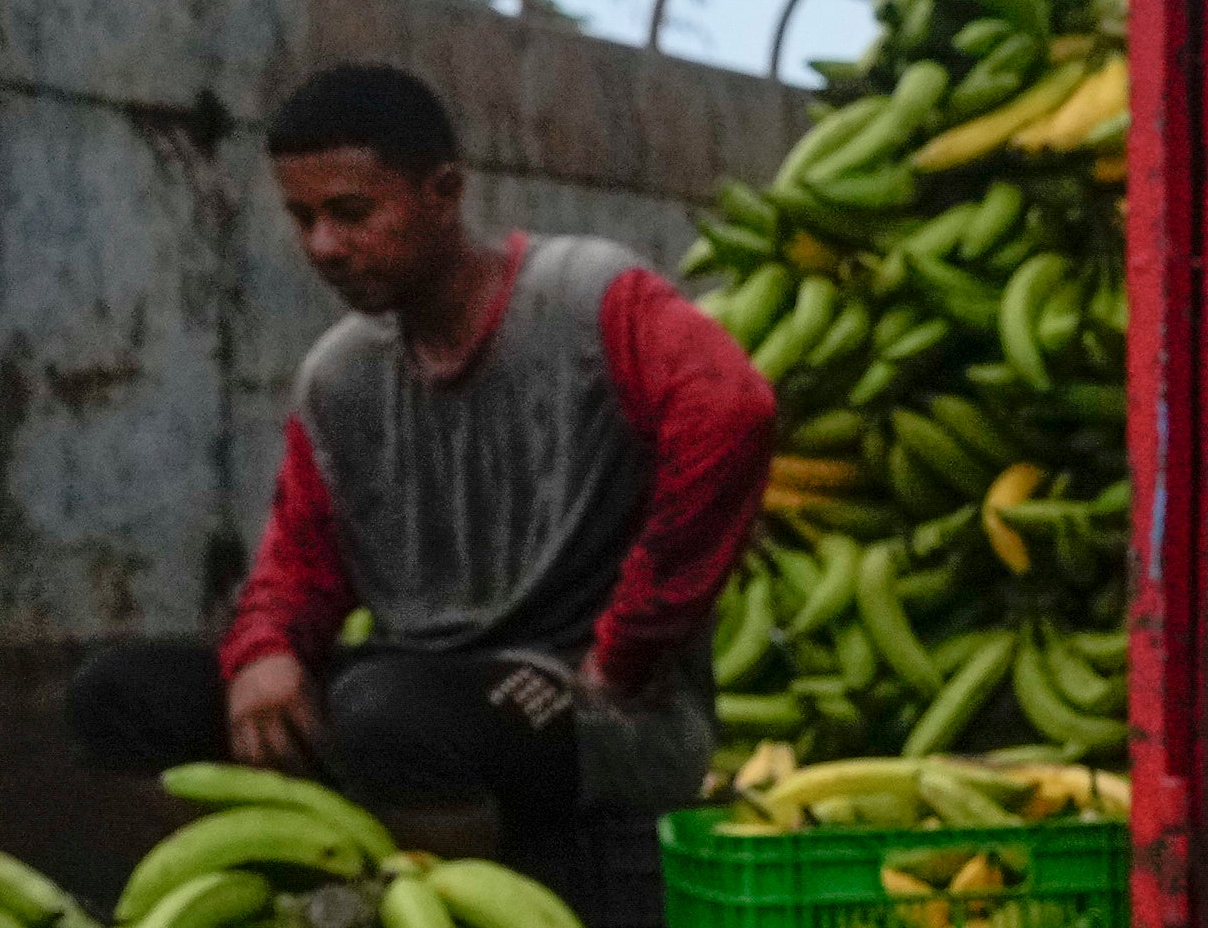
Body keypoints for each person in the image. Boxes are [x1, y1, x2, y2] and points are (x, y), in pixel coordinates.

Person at [66, 61, 771, 854]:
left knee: (387, 713)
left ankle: (438, 911)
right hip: (406, 685)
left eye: (351, 213)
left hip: (590, 702)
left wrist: (629, 649)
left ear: (444, 192)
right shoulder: (341, 376)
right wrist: (266, 651)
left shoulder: (584, 295)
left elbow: (731, 411)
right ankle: (275, 889)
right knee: (121, 694)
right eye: (302, 218)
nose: (324, 246)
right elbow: (297, 563)